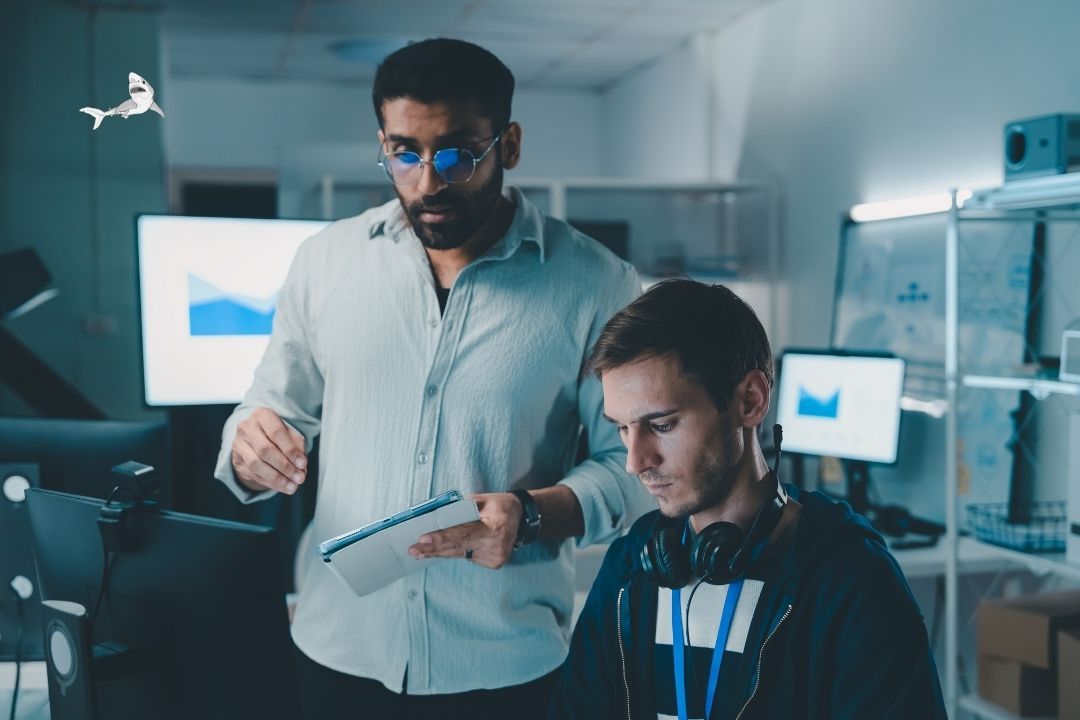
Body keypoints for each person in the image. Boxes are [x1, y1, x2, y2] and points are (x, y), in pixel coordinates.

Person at [213, 38, 653, 719]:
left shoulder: (600, 284)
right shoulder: (324, 262)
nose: (427, 182)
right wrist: (249, 447)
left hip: (505, 670)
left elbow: (632, 468)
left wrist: (530, 515)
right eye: (403, 153)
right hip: (338, 652)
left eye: (456, 154)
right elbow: (270, 408)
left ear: (507, 145)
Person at [548, 279, 947, 719]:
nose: (636, 461)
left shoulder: (850, 582)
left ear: (750, 401)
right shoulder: (630, 571)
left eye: (660, 425)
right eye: (622, 428)